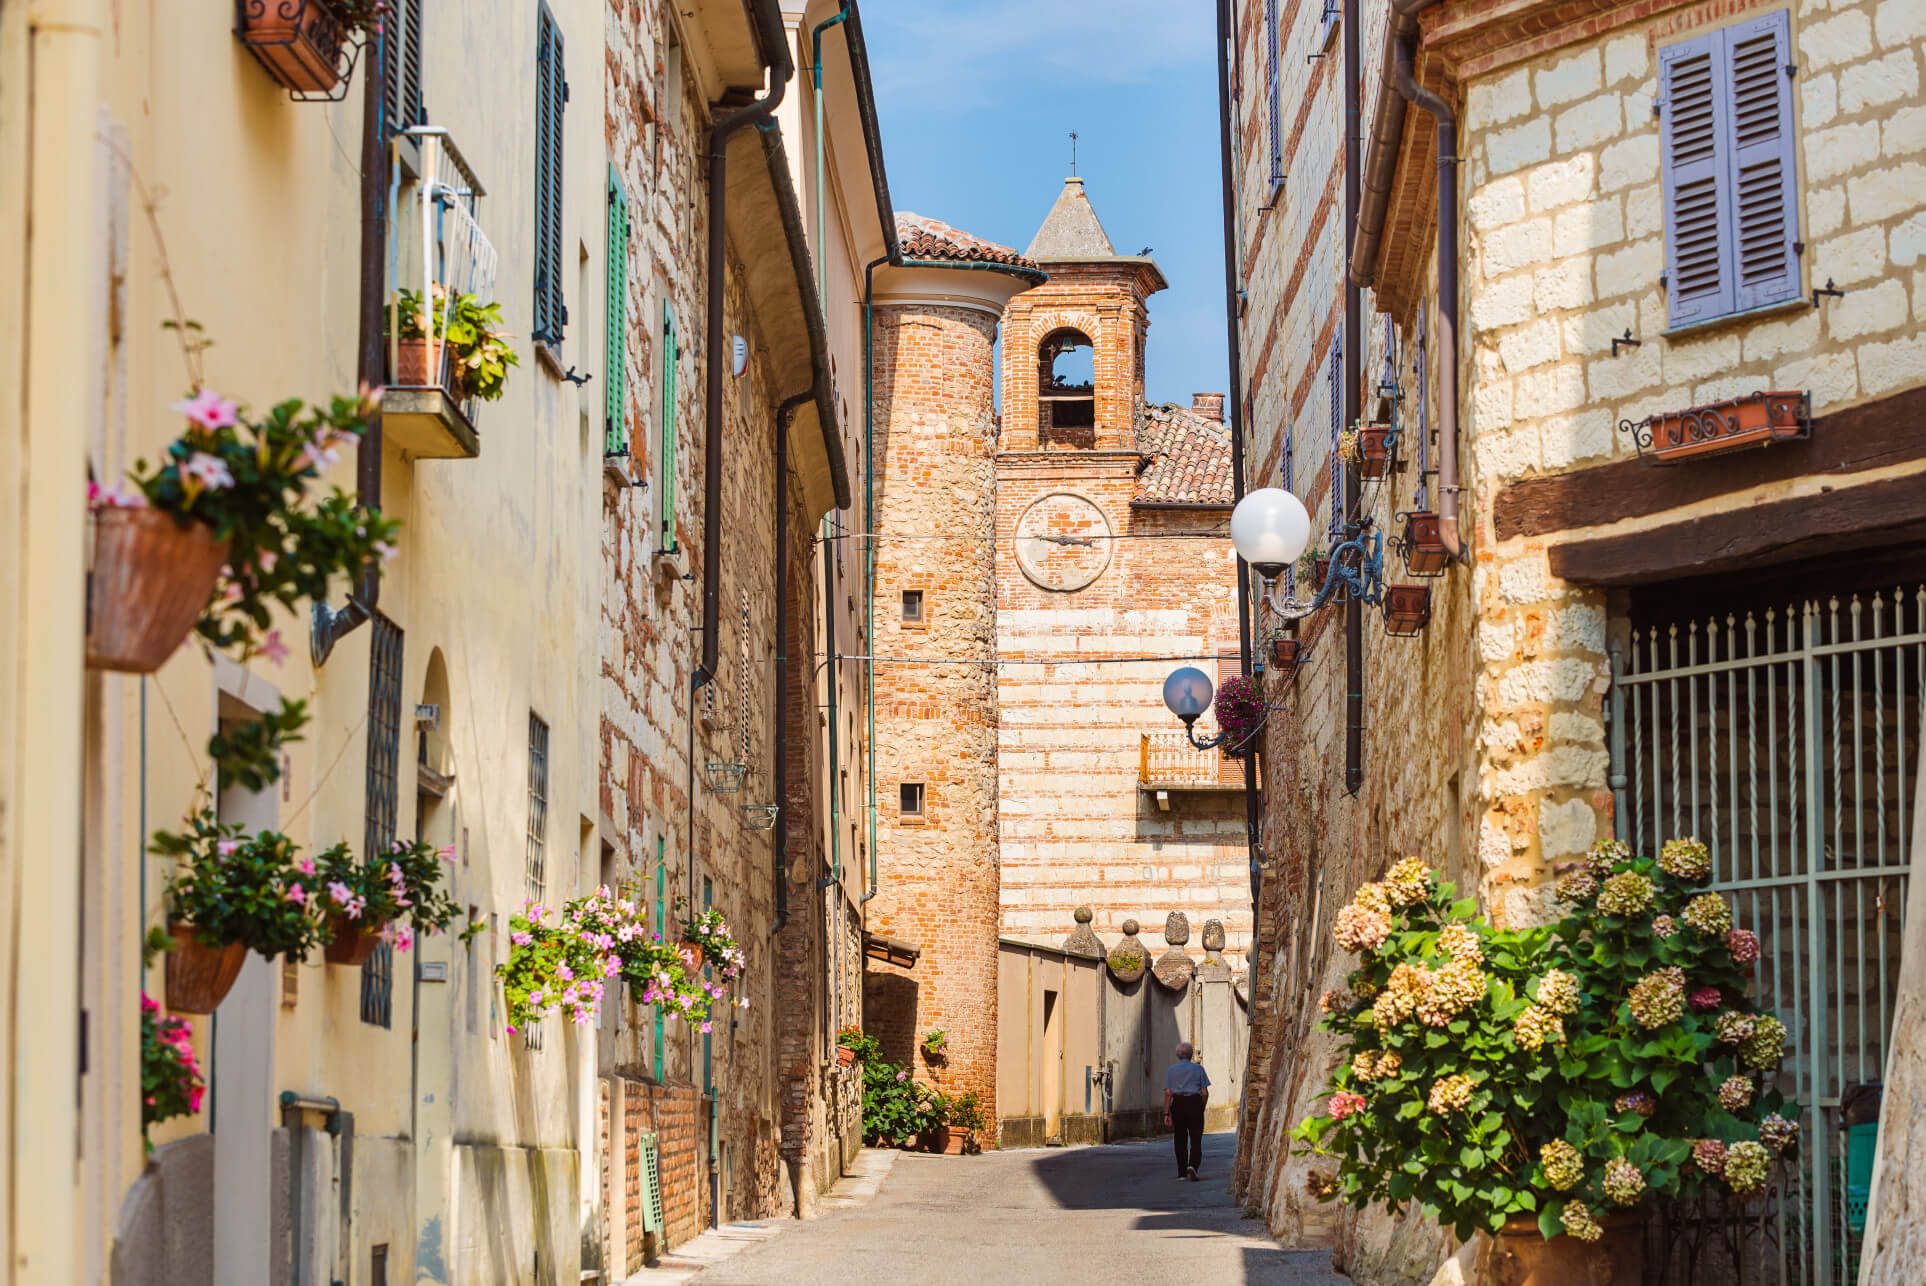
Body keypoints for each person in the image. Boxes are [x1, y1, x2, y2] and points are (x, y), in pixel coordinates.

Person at [1162, 1040, 1210, 1180]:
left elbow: (1168, 1093)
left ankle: (1182, 1173)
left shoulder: (1171, 1070)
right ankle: (1193, 1166)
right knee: (1196, 1138)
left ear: (1178, 1055)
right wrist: (1201, 1107)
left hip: (1178, 1104)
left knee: (1180, 1138)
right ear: (1191, 1055)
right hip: (1194, 1102)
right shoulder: (1199, 1069)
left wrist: (1166, 1113)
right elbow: (1205, 1093)